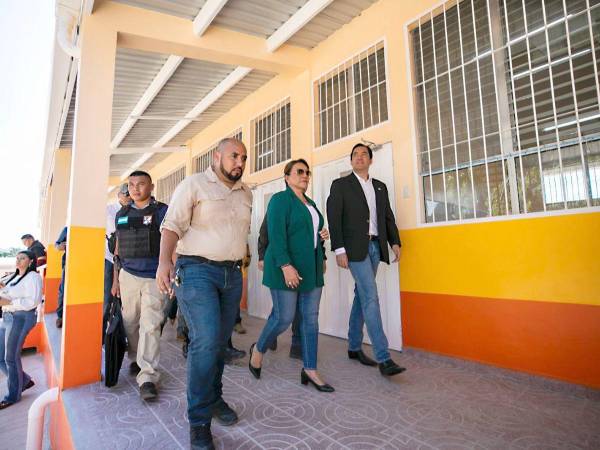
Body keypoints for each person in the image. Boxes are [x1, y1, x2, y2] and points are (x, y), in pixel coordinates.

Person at [157, 138, 252, 450]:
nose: (239, 162)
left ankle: (213, 398)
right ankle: (198, 421)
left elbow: (238, 234)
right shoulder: (194, 184)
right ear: (217, 156)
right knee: (206, 340)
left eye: (244, 157)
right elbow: (171, 226)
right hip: (196, 270)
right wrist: (163, 263)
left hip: (231, 274)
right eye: (234, 156)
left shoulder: (245, 192)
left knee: (220, 344)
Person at [249, 159, 333, 393]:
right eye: (299, 172)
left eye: (307, 172)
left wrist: (323, 248)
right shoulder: (280, 200)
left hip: (312, 269)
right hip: (286, 267)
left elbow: (313, 235)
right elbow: (276, 235)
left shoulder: (312, 204)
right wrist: (285, 265)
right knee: (283, 317)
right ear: (287, 177)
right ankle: (258, 349)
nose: (305, 175)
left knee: (310, 319)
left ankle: (310, 369)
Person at [326, 143, 406, 377]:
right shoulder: (341, 185)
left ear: (371, 160)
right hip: (353, 249)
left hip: (375, 246)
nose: (359, 157)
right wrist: (339, 249)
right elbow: (334, 217)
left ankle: (353, 346)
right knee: (370, 295)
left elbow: (387, 216)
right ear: (351, 161)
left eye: (364, 154)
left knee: (362, 295)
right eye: (355, 155)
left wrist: (395, 242)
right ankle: (384, 358)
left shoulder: (380, 187)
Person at [111, 171, 168, 401]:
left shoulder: (162, 211)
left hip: (154, 276)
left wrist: (169, 270)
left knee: (151, 324)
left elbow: (172, 240)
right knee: (130, 322)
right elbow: (117, 251)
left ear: (151, 186)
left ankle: (148, 377)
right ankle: (136, 357)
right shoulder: (121, 214)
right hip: (128, 276)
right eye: (131, 185)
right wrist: (115, 280)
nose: (135, 189)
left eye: (141, 184)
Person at [0, 250, 42, 409]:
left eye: (22, 258)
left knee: (10, 357)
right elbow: (6, 296)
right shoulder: (13, 277)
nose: (18, 260)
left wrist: (9, 303)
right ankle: (23, 381)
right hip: (7, 317)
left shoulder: (34, 277)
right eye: (17, 258)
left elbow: (33, 301)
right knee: (1, 357)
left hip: (21, 317)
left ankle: (13, 396)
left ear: (31, 261)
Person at [257, 215, 302, 359]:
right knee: (282, 308)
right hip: (281, 261)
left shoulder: (307, 205)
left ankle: (297, 344)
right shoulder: (279, 203)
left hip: (302, 261)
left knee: (299, 303)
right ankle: (270, 337)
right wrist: (262, 256)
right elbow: (265, 232)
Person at [105, 184, 131, 314]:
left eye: (130, 194)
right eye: (126, 194)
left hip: (128, 258)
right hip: (110, 258)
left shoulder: (134, 210)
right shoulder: (108, 210)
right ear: (119, 195)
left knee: (126, 297)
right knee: (108, 295)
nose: (129, 196)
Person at [54, 226, 67, 328]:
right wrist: (60, 246)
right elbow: (56, 245)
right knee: (63, 290)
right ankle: (60, 316)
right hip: (68, 264)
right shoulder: (67, 228)